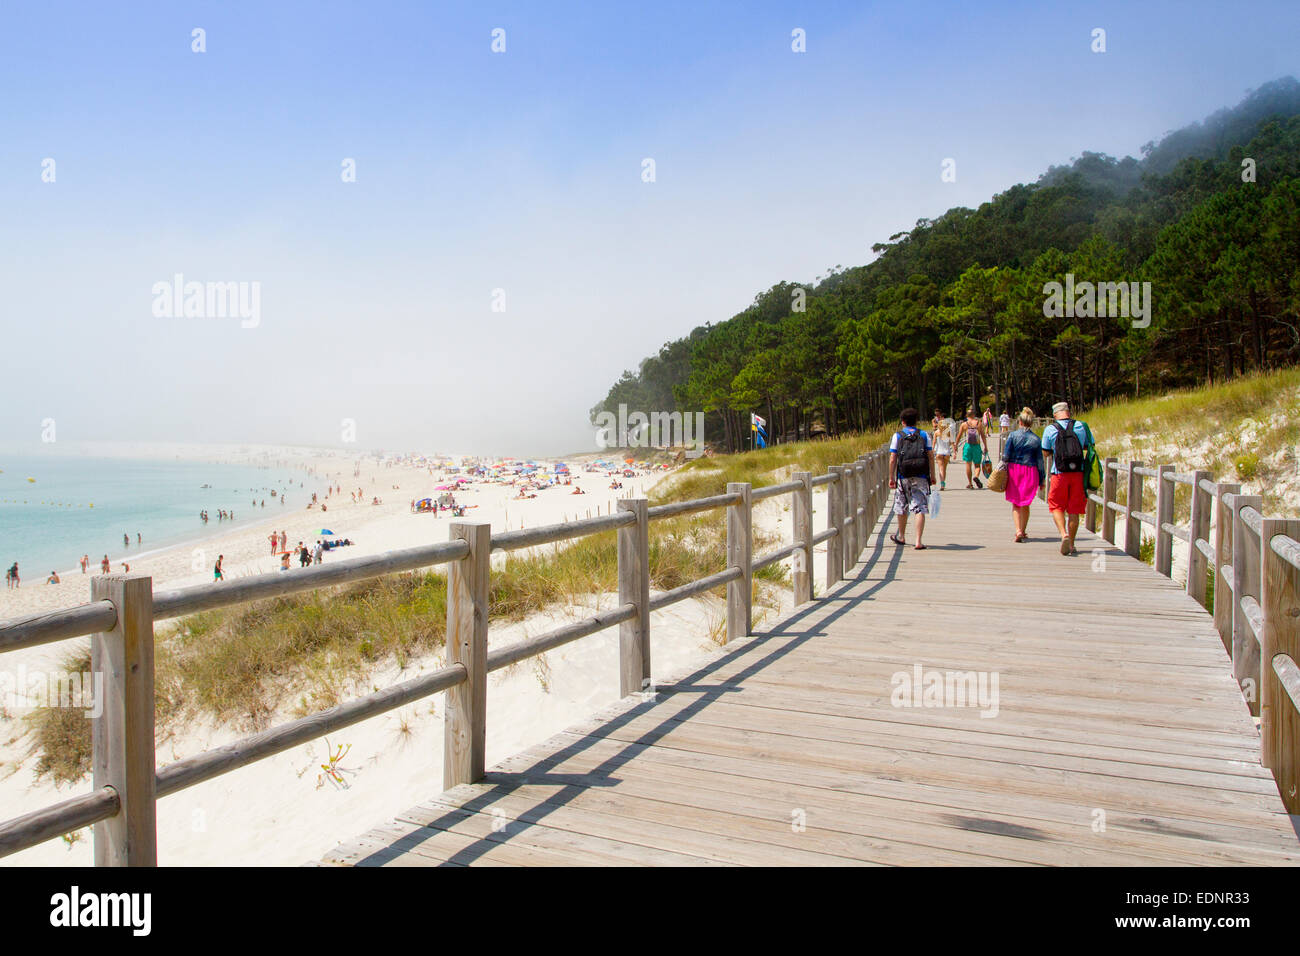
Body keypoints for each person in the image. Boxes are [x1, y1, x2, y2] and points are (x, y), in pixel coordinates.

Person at [1041, 400, 1095, 556]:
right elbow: (1089, 445)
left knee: (1056, 506)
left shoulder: (1051, 429)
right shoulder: (1081, 426)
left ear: (1055, 414)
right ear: (1068, 412)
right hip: (1078, 473)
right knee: (1074, 510)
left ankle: (1063, 533)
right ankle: (1071, 543)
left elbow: (1045, 451)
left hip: (1059, 473)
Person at [887, 408, 935, 550]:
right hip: (921, 474)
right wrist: (932, 475)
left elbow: (892, 458)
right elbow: (930, 456)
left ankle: (901, 536)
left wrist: (891, 477)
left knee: (902, 505)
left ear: (903, 422)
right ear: (916, 421)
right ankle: (918, 540)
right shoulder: (924, 435)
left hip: (903, 475)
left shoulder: (898, 436)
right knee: (919, 507)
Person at [1001, 407, 1045, 543]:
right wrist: (1042, 479)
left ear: (1020, 421)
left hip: (1015, 470)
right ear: (1031, 423)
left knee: (1016, 503)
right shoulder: (1036, 439)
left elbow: (1006, 456)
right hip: (1030, 471)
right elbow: (1040, 461)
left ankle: (1018, 530)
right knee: (1026, 503)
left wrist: (1002, 470)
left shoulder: (1013, 436)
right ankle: (1023, 530)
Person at [958, 408, 989, 489]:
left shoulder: (964, 424)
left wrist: (955, 446)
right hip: (977, 446)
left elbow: (959, 436)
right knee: (977, 465)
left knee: (968, 464)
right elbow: (983, 436)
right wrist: (985, 447)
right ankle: (976, 476)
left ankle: (970, 483)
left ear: (967, 415)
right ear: (974, 415)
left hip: (968, 446)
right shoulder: (979, 423)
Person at [932, 411, 954, 491]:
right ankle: (943, 483)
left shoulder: (936, 432)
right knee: (944, 469)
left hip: (939, 452)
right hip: (947, 452)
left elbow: (934, 443)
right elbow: (952, 443)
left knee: (940, 469)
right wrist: (954, 452)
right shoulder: (948, 432)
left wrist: (932, 451)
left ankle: (942, 483)